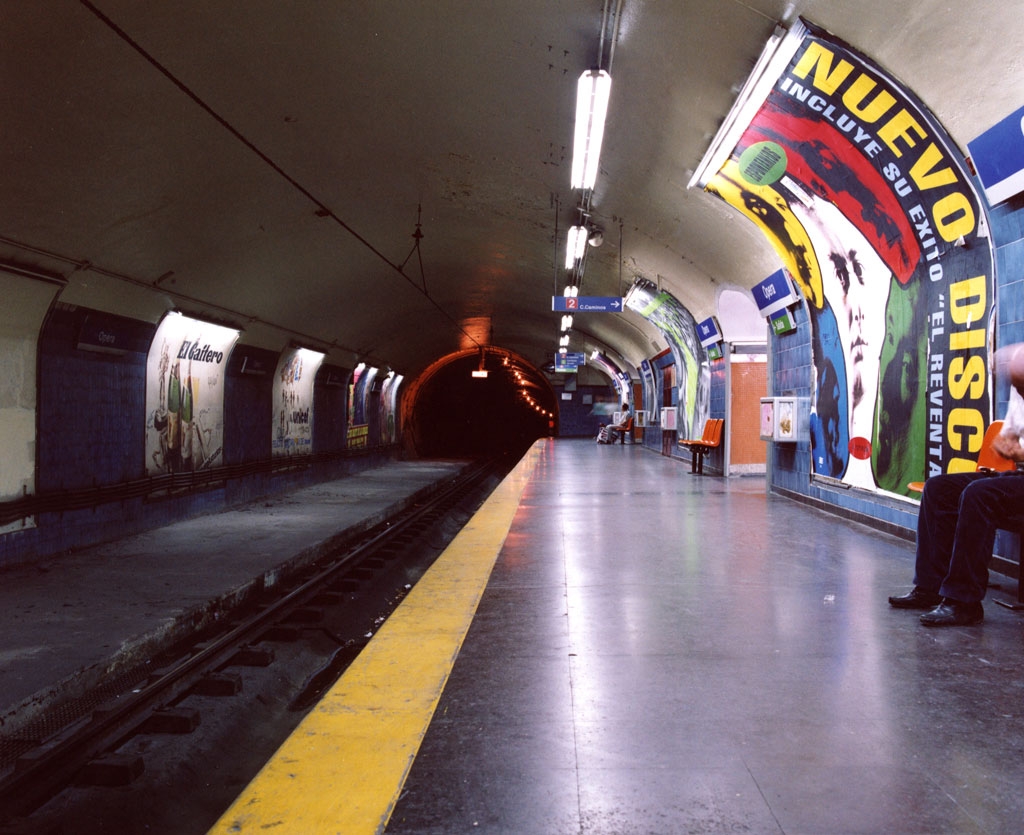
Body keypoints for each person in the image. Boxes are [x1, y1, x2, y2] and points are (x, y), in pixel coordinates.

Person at [889, 345, 1024, 626]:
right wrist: (1007, 443)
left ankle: (964, 601)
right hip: (1019, 475)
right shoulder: (1019, 389)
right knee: (940, 489)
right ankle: (931, 587)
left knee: (980, 494)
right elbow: (1011, 436)